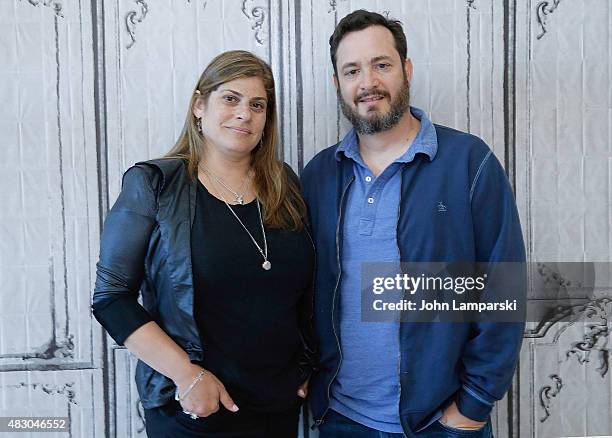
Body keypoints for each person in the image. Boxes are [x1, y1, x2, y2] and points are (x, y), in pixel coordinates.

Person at [300, 10, 526, 438]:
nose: (367, 82)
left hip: (442, 422)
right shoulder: (318, 176)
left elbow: (504, 286)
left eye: (381, 65)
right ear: (338, 85)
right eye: (352, 70)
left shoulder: (468, 162)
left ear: (406, 70)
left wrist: (473, 406)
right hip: (342, 420)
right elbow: (297, 289)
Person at [92, 50, 316, 438]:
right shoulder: (154, 184)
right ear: (199, 105)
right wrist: (188, 376)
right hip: (193, 409)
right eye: (231, 98)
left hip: (278, 406)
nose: (244, 113)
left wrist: (309, 365)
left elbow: (307, 292)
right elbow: (111, 298)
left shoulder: (285, 185)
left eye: (257, 105)